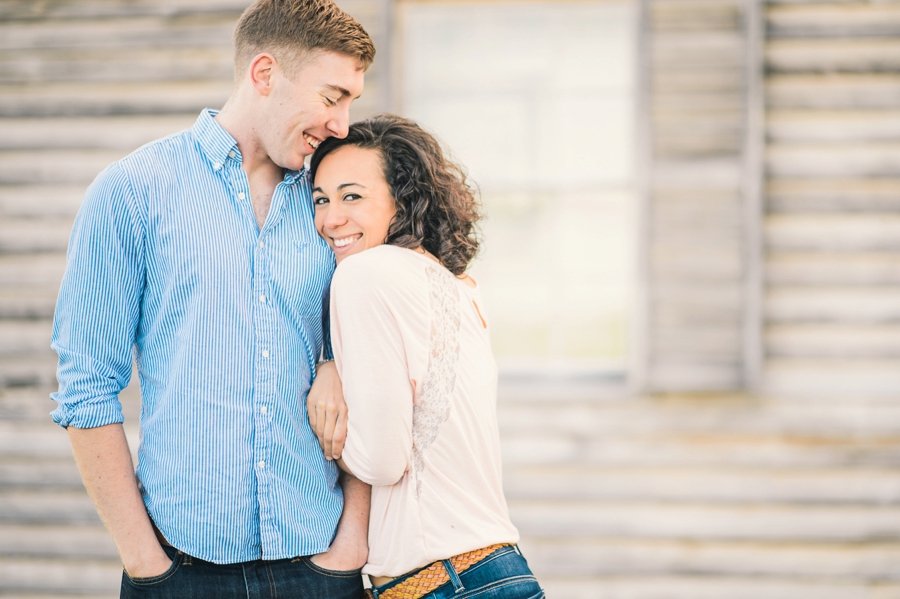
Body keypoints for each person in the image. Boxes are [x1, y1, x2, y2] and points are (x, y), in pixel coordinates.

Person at [50, 1, 374, 597]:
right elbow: (86, 386)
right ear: (264, 74)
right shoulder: (131, 193)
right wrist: (146, 565)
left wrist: (351, 542)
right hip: (180, 571)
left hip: (322, 567)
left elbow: (381, 352)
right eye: (332, 97)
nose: (342, 125)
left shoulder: (336, 204)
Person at [308, 114, 545, 599]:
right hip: (496, 570)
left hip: (443, 583)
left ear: (404, 199)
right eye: (321, 200)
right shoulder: (459, 288)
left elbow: (380, 462)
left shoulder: (362, 275)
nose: (331, 219)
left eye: (352, 196)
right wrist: (332, 363)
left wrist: (318, 416)